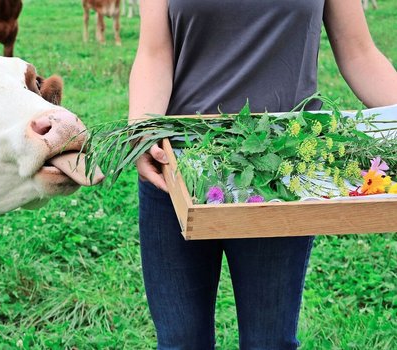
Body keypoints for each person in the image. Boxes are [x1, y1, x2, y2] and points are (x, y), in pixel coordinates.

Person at [128, 1, 397, 349]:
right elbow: (154, 52)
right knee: (181, 342)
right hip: (179, 168)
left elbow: (359, 53)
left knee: (270, 343)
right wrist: (142, 130)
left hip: (280, 173)